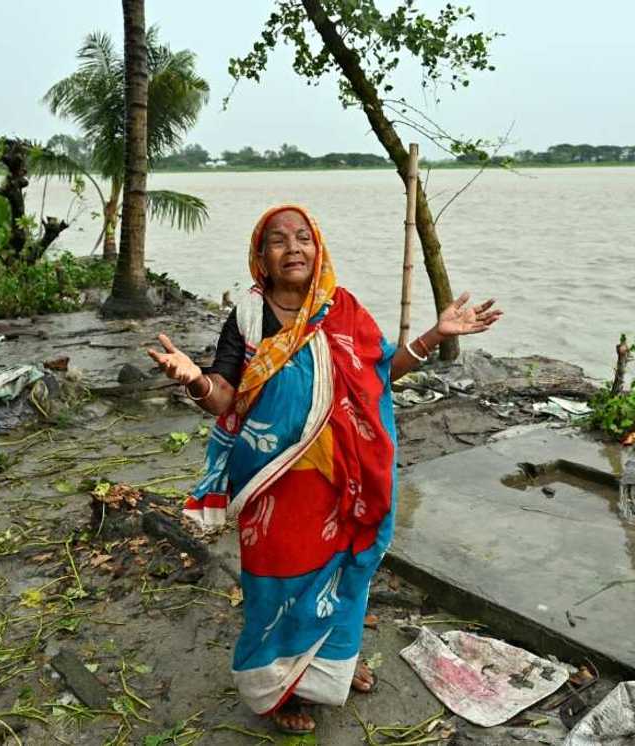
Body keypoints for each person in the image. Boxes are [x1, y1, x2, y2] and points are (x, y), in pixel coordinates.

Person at [147, 204, 502, 734]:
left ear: (318, 249)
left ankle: (326, 669)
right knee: (277, 583)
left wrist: (435, 334)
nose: (293, 248)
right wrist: (194, 378)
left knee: (342, 576)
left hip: (342, 479)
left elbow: (380, 370)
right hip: (271, 482)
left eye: (303, 238)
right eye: (277, 240)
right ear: (260, 257)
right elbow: (223, 400)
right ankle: (277, 690)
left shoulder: (344, 310)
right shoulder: (246, 317)